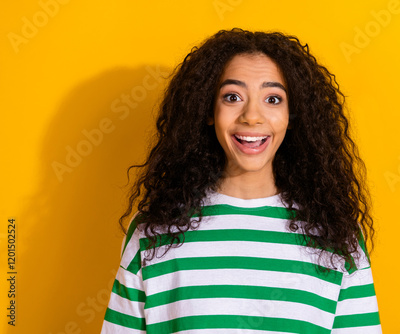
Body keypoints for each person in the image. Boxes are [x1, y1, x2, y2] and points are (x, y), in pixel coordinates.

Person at [101, 28, 382, 333]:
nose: (252, 116)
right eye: (232, 97)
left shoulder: (337, 235)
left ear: (292, 115)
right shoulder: (153, 231)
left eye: (273, 99)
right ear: (209, 110)